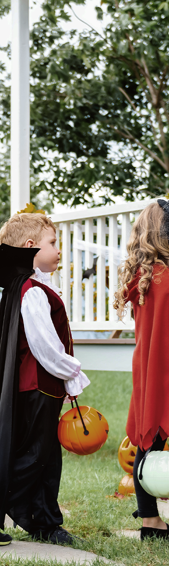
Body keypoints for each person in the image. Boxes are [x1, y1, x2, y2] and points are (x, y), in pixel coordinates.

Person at [0, 212, 90, 546]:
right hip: (37, 386)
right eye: (53, 243)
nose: (59, 250)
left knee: (44, 455)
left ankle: (42, 520)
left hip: (39, 387)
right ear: (31, 247)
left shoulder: (32, 286)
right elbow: (45, 346)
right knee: (34, 456)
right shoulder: (31, 291)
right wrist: (72, 372)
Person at [114, 200, 169, 540]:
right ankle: (151, 520)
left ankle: (150, 519)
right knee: (153, 441)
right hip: (164, 364)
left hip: (148, 368)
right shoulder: (164, 277)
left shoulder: (143, 277)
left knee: (149, 442)